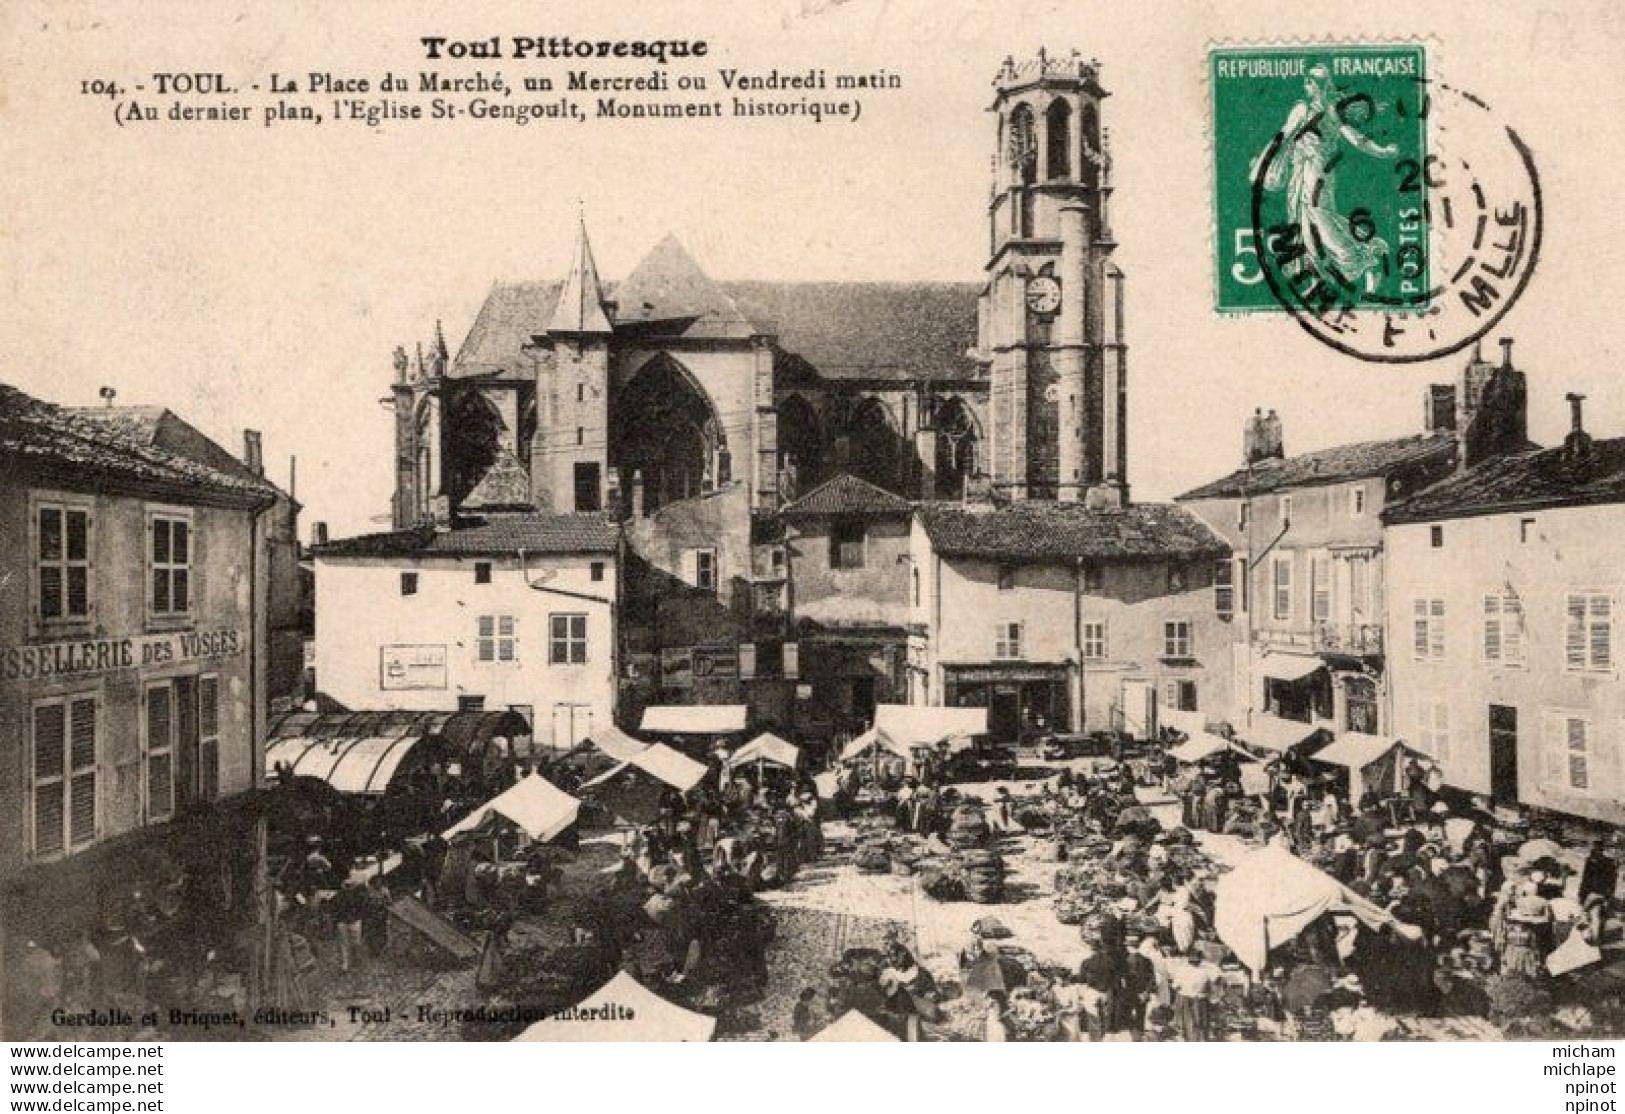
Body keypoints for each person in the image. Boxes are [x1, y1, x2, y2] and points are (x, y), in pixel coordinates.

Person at [329, 875, 369, 974]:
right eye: (346, 885)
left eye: (350, 885)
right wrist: (337, 920)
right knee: (344, 944)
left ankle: (356, 960)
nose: (348, 887)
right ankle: (345, 965)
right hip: (343, 922)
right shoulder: (338, 896)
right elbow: (335, 909)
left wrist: (357, 917)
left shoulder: (358, 896)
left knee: (356, 942)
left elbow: (362, 908)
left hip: (355, 921)